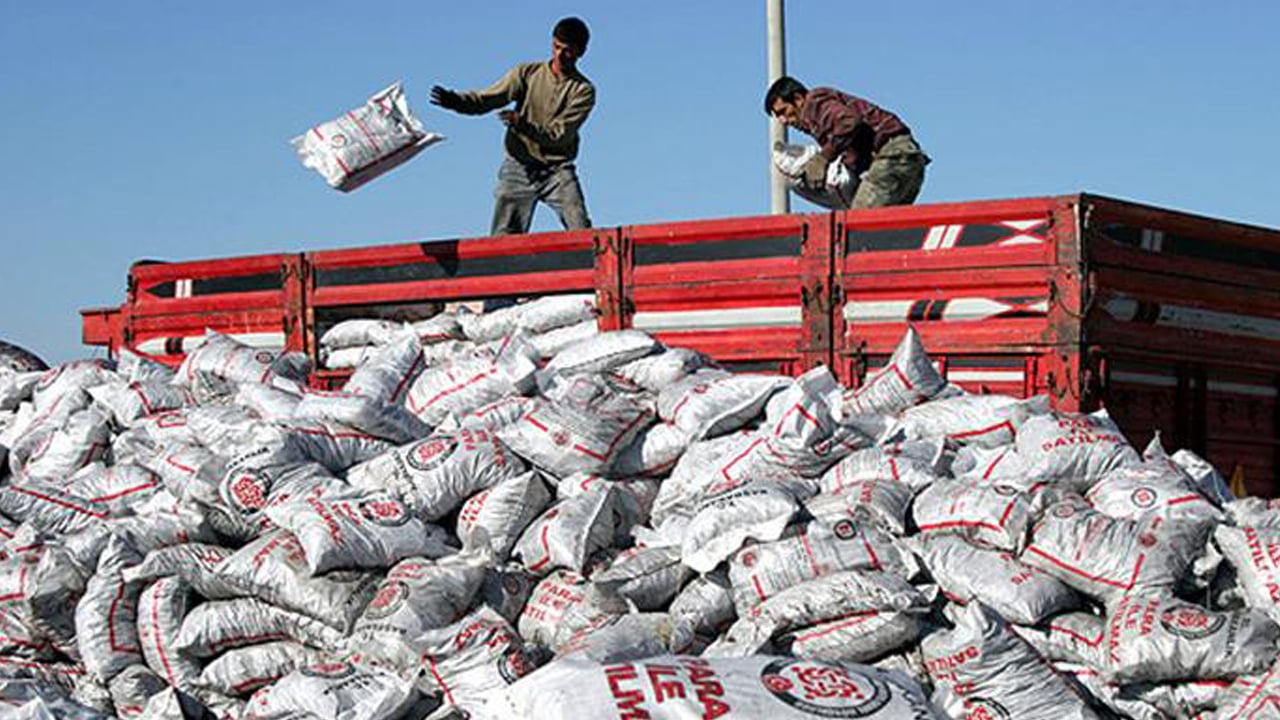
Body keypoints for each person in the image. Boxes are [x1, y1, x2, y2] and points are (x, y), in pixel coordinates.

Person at [431, 17, 596, 236]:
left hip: (556, 170)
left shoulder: (583, 90)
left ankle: (593, 268)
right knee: (503, 239)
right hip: (518, 167)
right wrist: (456, 101)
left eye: (567, 50)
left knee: (581, 227)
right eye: (556, 47)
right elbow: (488, 99)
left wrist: (523, 125)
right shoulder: (527, 74)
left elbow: (560, 135)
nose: (559, 55)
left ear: (581, 52)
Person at [765, 76, 929, 209]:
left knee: (859, 223)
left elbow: (849, 122)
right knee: (882, 230)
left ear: (798, 99)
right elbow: (857, 145)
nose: (783, 121)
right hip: (906, 160)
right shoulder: (820, 121)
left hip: (894, 156)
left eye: (783, 112)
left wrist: (822, 158)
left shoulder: (814, 103)